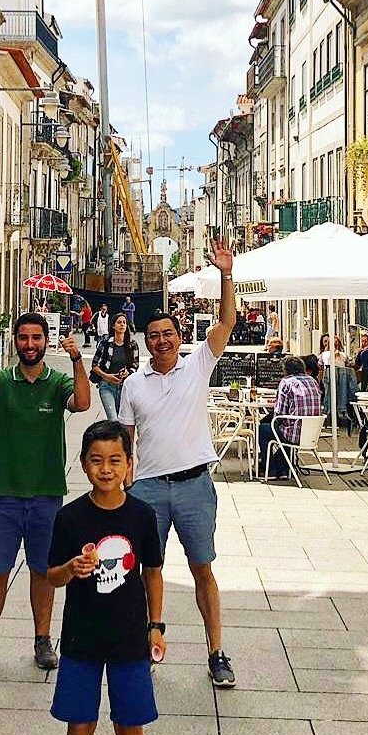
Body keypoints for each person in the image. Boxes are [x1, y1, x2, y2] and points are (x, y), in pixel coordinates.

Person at [118, 236, 238, 688]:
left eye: (168, 334)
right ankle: (152, 637)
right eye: (154, 336)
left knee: (202, 567)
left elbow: (226, 321)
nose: (162, 341)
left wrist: (227, 273)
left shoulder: (198, 364)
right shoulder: (133, 384)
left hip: (193, 485)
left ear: (179, 338)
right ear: (145, 342)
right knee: (150, 568)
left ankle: (217, 651)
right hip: (147, 487)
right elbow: (126, 439)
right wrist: (123, 483)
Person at [0, 314, 92, 671]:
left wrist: (78, 360)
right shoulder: (2, 380)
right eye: (23, 338)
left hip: (47, 494)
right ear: (16, 342)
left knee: (43, 570)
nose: (29, 344)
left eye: (36, 338)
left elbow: (82, 403)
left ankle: (43, 639)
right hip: (3, 493)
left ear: (46, 340)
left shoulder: (57, 381)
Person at [47, 421, 164, 735]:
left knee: (130, 730)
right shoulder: (69, 517)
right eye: (96, 460)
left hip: (129, 639)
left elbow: (152, 574)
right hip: (80, 638)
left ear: (129, 463)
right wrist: (70, 568)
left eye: (115, 460)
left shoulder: (142, 516)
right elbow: (51, 577)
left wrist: (155, 626)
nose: (106, 469)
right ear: (84, 463)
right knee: (80, 729)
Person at [257, 355, 322, 479]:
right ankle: (283, 469)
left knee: (263, 429)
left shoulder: (286, 382)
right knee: (284, 429)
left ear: (285, 370)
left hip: (294, 434)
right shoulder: (313, 381)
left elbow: (279, 413)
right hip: (311, 434)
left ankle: (269, 469)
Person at [91, 313, 139, 421]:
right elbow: (95, 365)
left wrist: (128, 372)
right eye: (119, 322)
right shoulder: (105, 344)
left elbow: (135, 366)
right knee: (113, 419)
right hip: (107, 386)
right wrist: (106, 376)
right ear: (113, 326)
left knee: (123, 420)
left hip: (124, 387)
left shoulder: (132, 345)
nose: (122, 325)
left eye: (124, 322)